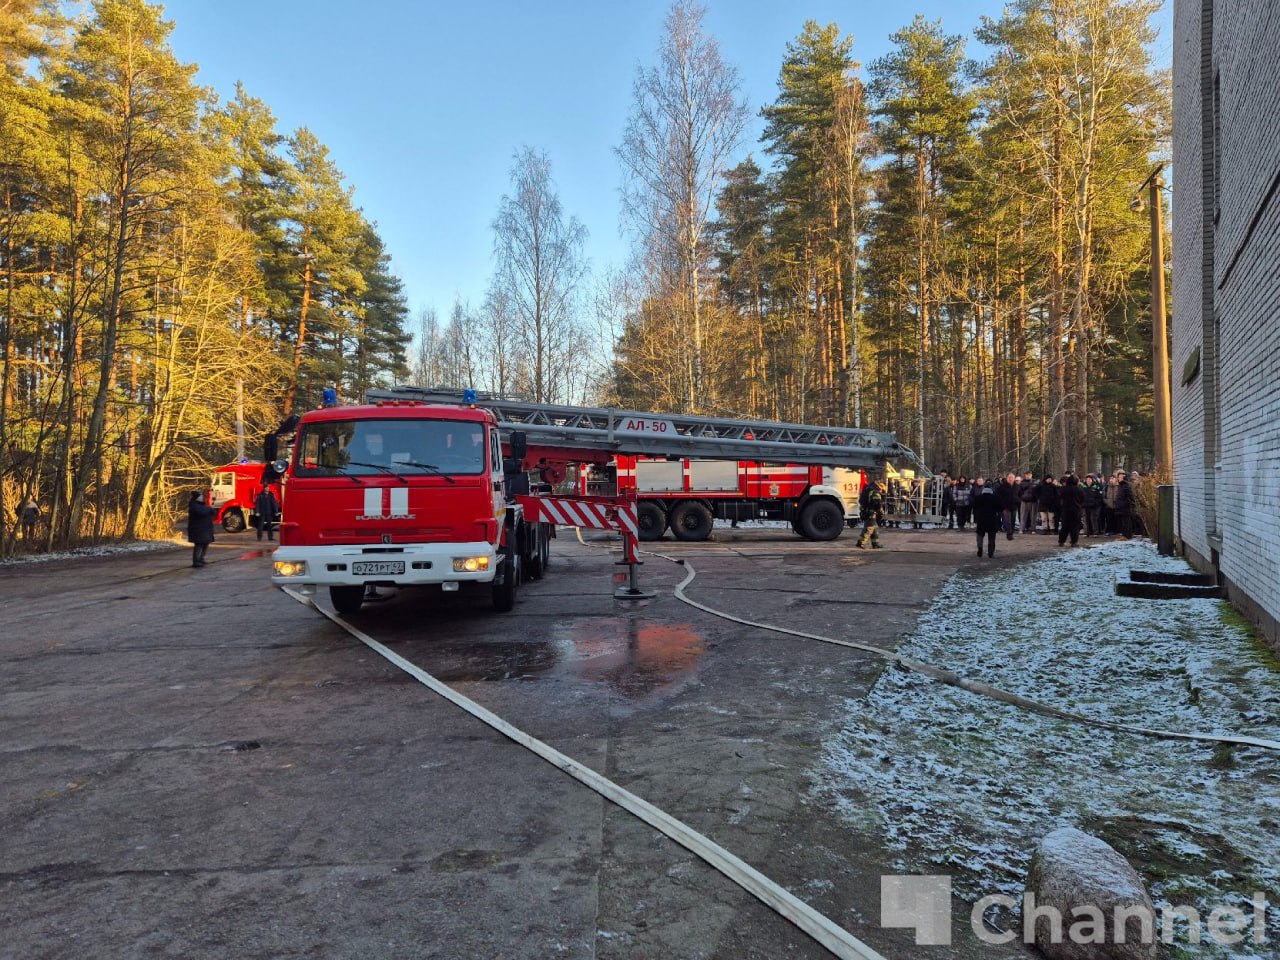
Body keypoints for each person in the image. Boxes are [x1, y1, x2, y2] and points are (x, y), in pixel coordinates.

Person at [971, 476, 1001, 558]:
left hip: (981, 519)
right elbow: (999, 508)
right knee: (992, 536)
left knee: (980, 535)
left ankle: (980, 548)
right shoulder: (995, 498)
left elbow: (975, 507)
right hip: (992, 519)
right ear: (991, 488)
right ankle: (991, 552)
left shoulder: (978, 498)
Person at [187, 490, 216, 568]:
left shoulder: (203, 506)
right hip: (198, 529)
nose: (202, 497)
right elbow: (202, 512)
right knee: (199, 545)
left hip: (205, 529)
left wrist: (210, 508)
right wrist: (209, 508)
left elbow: (212, 512)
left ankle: (201, 559)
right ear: (197, 498)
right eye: (200, 496)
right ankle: (196, 561)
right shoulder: (194, 506)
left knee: (205, 544)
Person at [856, 478, 885, 549]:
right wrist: (880, 510)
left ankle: (876, 543)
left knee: (874, 528)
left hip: (866, 511)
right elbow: (876, 503)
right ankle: (861, 543)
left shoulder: (868, 488)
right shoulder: (875, 491)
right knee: (869, 528)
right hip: (871, 512)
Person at [1057, 474, 1084, 546]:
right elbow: (1082, 499)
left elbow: (1059, 497)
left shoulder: (1063, 489)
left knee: (1065, 526)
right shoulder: (1078, 489)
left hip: (1066, 509)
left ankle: (1061, 541)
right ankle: (1074, 541)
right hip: (1076, 510)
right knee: (1075, 526)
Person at [996, 472, 1020, 539]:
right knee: (1007, 520)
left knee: (1013, 520)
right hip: (1005, 506)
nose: (1010, 479)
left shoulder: (1017, 486)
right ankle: (1009, 533)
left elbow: (1020, 494)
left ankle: (1011, 532)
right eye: (1009, 477)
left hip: (1014, 506)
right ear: (1007, 478)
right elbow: (998, 495)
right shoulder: (1002, 486)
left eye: (1012, 477)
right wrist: (1001, 502)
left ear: (1014, 478)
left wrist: (1018, 500)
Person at [1114, 471, 1134, 539]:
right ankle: (1124, 534)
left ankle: (1127, 535)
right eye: (1118, 476)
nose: (1119, 478)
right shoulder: (1120, 485)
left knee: (1127, 521)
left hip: (1125, 507)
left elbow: (1130, 497)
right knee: (1123, 521)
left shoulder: (1126, 486)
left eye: (1120, 477)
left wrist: (1125, 504)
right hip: (1121, 506)